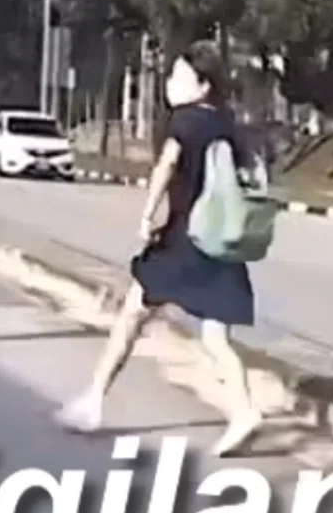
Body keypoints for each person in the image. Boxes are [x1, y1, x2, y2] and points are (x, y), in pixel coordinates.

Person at [58, 40, 261, 456]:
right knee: (216, 336)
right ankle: (243, 411)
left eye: (179, 77)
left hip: (183, 240)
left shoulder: (184, 122)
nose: (170, 84)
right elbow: (252, 173)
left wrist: (147, 214)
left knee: (132, 313)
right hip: (222, 241)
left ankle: (93, 400)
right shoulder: (228, 123)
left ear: (202, 86)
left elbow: (166, 166)